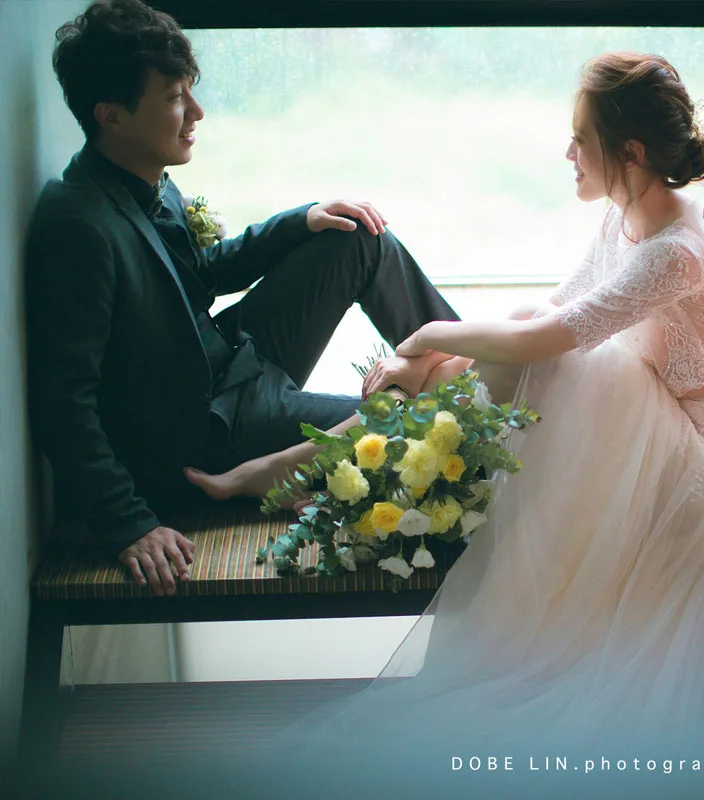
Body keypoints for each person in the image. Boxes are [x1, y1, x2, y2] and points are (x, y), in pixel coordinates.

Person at [188, 52, 704, 765]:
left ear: (630, 153)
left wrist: (426, 337)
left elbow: (546, 335)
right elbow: (558, 312)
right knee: (524, 348)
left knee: (556, 352)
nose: (567, 153)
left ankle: (307, 464)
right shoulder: (624, 215)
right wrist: (431, 362)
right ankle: (313, 462)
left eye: (580, 139)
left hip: (696, 476)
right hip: (647, 430)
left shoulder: (678, 250)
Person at [25, 0, 458, 597]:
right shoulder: (79, 226)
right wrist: (129, 523)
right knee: (415, 424)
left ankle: (470, 368)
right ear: (112, 115)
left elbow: (195, 273)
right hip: (209, 430)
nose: (196, 112)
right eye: (175, 97)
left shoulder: (139, 177)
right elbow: (63, 400)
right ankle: (465, 409)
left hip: (232, 360)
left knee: (358, 239)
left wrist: (300, 221)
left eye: (190, 91)